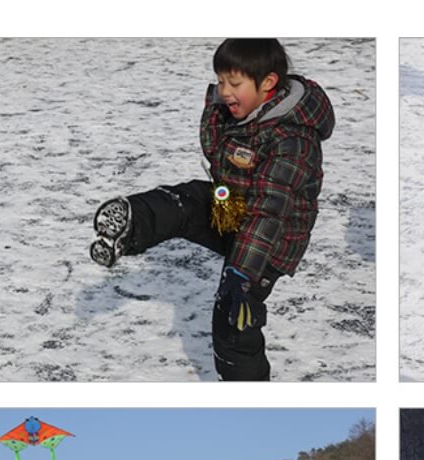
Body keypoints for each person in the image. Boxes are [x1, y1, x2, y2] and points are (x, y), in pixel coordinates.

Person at [88, 38, 335, 381]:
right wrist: (219, 111)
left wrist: (241, 276)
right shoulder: (241, 112)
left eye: (234, 84)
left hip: (268, 245)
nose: (224, 91)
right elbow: (217, 152)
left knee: (233, 321)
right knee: (187, 201)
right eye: (221, 81)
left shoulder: (293, 141)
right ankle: (130, 229)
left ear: (268, 84)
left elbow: (269, 212)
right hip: (232, 208)